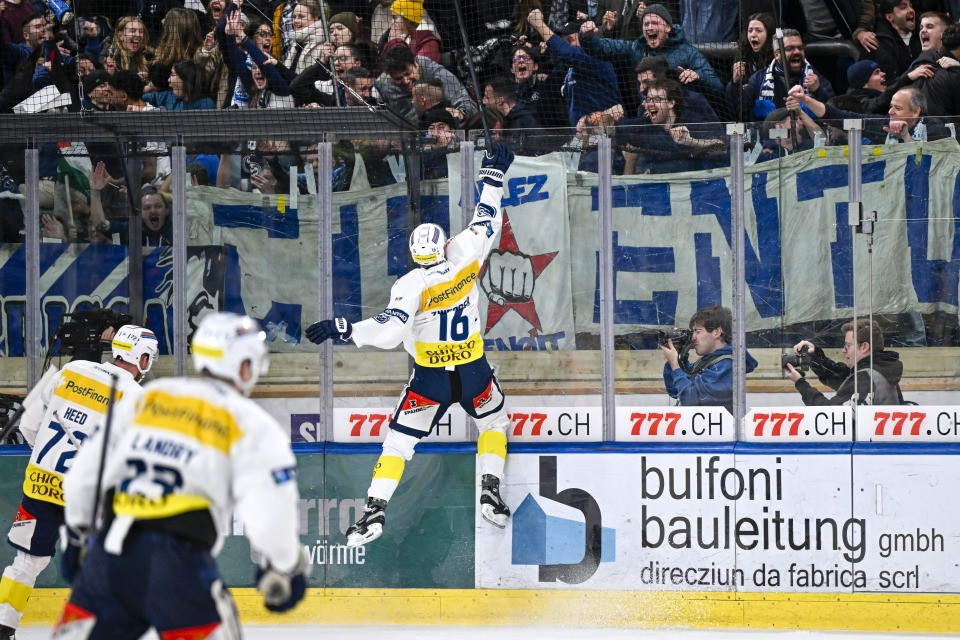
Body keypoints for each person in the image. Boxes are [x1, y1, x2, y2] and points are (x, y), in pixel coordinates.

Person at [305, 143, 516, 548]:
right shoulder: (466, 251)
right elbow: (487, 218)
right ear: (443, 244)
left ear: (414, 254)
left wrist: (344, 328)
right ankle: (491, 491)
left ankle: (374, 511)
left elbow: (387, 330)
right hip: (474, 372)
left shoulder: (410, 285)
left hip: (430, 381)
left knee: (399, 443)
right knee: (494, 424)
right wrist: (493, 172)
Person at [53, 313, 307, 638]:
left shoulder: (151, 397)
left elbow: (86, 472)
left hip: (110, 557)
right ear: (245, 367)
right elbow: (271, 513)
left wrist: (78, 535)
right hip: (180, 568)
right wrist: (285, 565)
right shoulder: (252, 424)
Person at [0, 325, 158, 640]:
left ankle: (3, 629)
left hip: (41, 485)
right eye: (147, 358)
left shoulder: (71, 371)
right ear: (140, 358)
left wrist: (50, 465)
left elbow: (30, 426)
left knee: (27, 562)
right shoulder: (136, 396)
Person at [660, 305, 757, 415]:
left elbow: (691, 402)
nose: (693, 337)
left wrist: (674, 365)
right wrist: (676, 358)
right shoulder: (708, 362)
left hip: (720, 431)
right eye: (693, 332)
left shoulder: (727, 366)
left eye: (698, 331)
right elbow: (674, 391)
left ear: (716, 332)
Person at [784, 318, 905, 405]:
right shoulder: (879, 370)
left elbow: (830, 413)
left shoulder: (866, 379)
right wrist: (814, 355)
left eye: (847, 346)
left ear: (864, 347)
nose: (843, 350)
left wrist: (800, 383)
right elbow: (839, 376)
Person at [733, 28, 834, 121]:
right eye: (790, 48)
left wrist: (818, 90)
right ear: (777, 54)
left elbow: (832, 110)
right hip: (769, 138)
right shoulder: (759, 78)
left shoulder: (814, 77)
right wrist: (736, 84)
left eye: (800, 48)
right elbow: (741, 109)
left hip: (807, 136)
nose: (797, 52)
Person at [869, 0, 920, 81]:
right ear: (889, 17)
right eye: (903, 7)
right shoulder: (876, 43)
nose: (911, 10)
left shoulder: (923, 33)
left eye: (911, 5)